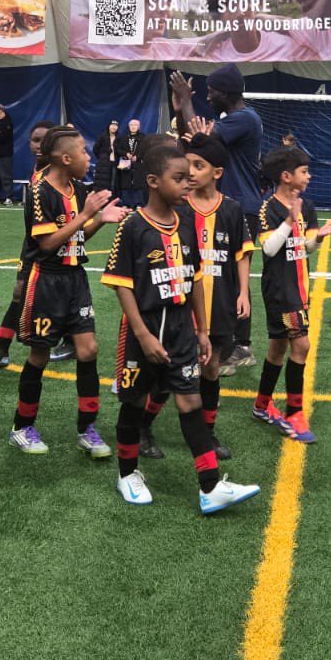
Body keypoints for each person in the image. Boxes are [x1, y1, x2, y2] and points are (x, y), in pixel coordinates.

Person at [103, 141, 262, 514]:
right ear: (153, 181)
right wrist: (143, 335)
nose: (187, 183)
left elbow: (195, 281)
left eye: (190, 177)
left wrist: (202, 331)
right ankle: (127, 473)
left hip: (182, 328)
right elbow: (121, 285)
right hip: (144, 328)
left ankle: (211, 486)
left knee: (191, 401)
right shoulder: (133, 226)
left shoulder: (186, 225)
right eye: (179, 178)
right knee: (134, 401)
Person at [6, 127, 124, 459]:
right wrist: (87, 215)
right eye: (84, 152)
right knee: (40, 355)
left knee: (88, 350)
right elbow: (47, 243)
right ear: (66, 158)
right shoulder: (39, 191)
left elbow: (77, 235)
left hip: (75, 280)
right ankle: (21, 427)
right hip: (46, 280)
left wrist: (99, 220)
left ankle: (87, 429)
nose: (89, 158)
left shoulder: (77, 189)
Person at [172, 64, 264, 362]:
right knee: (214, 272)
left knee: (235, 275)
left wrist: (187, 100)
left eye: (211, 92)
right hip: (222, 205)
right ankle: (217, 336)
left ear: (227, 92)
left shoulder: (245, 118)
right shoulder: (232, 120)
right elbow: (194, 143)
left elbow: (203, 140)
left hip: (240, 206)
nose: (208, 97)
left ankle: (241, 345)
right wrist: (180, 112)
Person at [253, 144, 331, 442]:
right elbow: (269, 248)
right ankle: (294, 414)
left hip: (299, 286)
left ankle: (261, 405)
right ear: (286, 176)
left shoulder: (307, 206)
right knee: (301, 346)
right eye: (304, 171)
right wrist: (289, 220)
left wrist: (319, 237)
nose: (309, 176)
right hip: (280, 289)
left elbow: (305, 248)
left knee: (278, 348)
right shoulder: (268, 208)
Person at [184, 134, 254, 457]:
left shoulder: (232, 209)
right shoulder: (179, 206)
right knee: (174, 367)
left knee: (211, 367)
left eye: (198, 165)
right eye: (188, 164)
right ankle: (143, 428)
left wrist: (243, 293)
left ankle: (207, 432)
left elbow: (242, 254)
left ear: (217, 172)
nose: (191, 171)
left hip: (220, 302)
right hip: (182, 303)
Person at [0, 120, 61, 370]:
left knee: (51, 293)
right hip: (31, 244)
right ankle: (1, 349)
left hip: (48, 244)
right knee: (21, 292)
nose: (39, 145)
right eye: (35, 140)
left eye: (45, 140)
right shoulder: (38, 171)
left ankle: (72, 339)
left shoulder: (55, 176)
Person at [115, 119, 144, 208]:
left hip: (138, 163)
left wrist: (137, 157)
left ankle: (139, 203)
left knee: (138, 183)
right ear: (129, 126)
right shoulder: (123, 137)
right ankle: (126, 203)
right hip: (125, 163)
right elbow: (118, 149)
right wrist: (125, 154)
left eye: (135, 125)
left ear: (139, 127)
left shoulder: (143, 137)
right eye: (131, 125)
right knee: (125, 183)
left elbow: (146, 149)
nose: (133, 126)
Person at [94, 119, 120, 192]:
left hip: (114, 164)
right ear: (109, 126)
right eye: (112, 125)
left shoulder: (118, 138)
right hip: (104, 164)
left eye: (115, 126)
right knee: (102, 184)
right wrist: (102, 157)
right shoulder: (102, 136)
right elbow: (95, 149)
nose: (114, 127)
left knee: (113, 184)